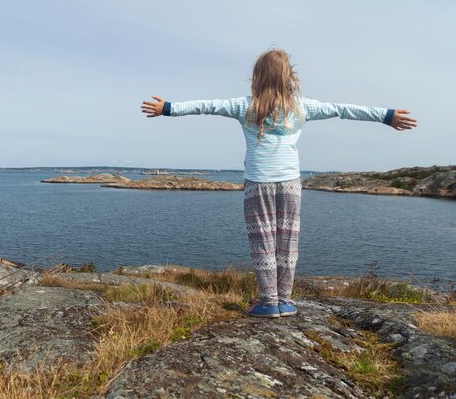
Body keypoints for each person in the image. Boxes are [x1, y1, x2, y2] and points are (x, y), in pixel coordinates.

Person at [140, 49, 417, 318]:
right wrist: (386, 115)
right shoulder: (302, 107)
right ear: (288, 77)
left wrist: (167, 108)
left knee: (263, 242)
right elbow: (343, 110)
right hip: (290, 184)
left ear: (257, 77)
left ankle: (269, 302)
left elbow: (206, 106)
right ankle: (285, 300)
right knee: (287, 241)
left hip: (258, 183)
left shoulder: (244, 105)